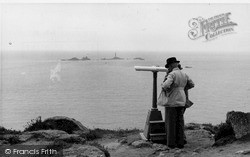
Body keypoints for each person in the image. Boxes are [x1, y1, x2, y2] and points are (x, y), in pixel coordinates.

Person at [161, 57, 194, 148]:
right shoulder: (184, 73)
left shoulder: (172, 74)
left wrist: (164, 87)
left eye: (168, 66)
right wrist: (182, 89)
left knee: (171, 122)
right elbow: (192, 84)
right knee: (180, 121)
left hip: (172, 100)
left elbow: (166, 85)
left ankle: (171, 143)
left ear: (171, 65)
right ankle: (180, 143)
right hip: (182, 100)